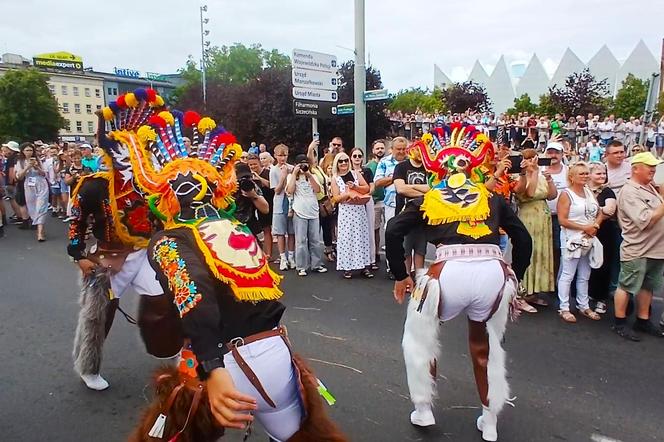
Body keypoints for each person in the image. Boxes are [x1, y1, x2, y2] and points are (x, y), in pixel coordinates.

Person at [123, 112, 344, 441]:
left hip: (227, 362)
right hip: (276, 356)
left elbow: (193, 298)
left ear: (164, 197)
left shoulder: (169, 240)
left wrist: (214, 369)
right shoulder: (236, 227)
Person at [386, 126, 532, 442]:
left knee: (420, 337)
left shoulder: (431, 196)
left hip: (447, 272)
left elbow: (393, 231)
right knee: (487, 345)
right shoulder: (491, 196)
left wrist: (402, 275)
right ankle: (490, 420)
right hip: (492, 272)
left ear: (439, 167)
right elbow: (522, 237)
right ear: (474, 167)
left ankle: (423, 410)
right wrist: (514, 276)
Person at [67, 91, 183, 391]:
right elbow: (77, 223)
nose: (131, 158)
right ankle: (87, 366)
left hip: (143, 254)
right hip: (107, 259)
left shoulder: (151, 186)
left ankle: (165, 345)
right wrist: (78, 254)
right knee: (98, 316)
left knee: (162, 301)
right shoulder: (94, 188)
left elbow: (166, 218)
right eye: (123, 152)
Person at [612, 152, 664, 341]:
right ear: (636, 168)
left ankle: (643, 320)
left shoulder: (649, 187)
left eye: (654, 166)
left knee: (647, 285)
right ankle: (619, 321)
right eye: (649, 166)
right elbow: (645, 220)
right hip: (638, 248)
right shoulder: (630, 191)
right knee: (627, 285)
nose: (653, 169)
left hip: (656, 248)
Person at [556, 162, 602, 323]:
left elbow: (599, 211)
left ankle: (584, 305)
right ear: (572, 177)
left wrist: (595, 225)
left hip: (588, 238)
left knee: (585, 274)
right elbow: (562, 220)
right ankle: (564, 307)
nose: (585, 176)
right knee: (568, 274)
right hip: (572, 238)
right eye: (581, 174)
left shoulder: (589, 192)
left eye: (586, 173)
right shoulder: (566, 194)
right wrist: (585, 227)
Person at [515, 149, 558, 310]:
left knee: (541, 253)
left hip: (543, 217)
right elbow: (530, 193)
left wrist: (549, 179)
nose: (534, 161)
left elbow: (552, 195)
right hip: (528, 217)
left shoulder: (541, 175)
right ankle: (522, 293)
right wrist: (532, 172)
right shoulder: (520, 176)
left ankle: (534, 292)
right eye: (529, 159)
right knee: (529, 255)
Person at [331, 152, 373, 279]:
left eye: (345, 160)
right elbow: (336, 198)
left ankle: (364, 266)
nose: (343, 163)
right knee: (346, 238)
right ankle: (347, 267)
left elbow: (366, 188)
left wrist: (355, 187)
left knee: (361, 237)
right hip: (346, 212)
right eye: (340, 161)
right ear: (337, 164)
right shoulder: (335, 178)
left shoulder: (355, 173)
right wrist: (348, 194)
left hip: (359, 210)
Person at [286, 153, 327, 276]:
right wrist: (294, 173)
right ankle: (301, 266)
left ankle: (316, 264)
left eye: (306, 164)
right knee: (301, 241)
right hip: (299, 211)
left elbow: (318, 189)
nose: (304, 167)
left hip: (313, 211)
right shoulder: (291, 176)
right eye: (301, 164)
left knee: (315, 240)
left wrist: (309, 175)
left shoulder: (312, 175)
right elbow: (289, 190)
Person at [587, 162, 618, 315]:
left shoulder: (608, 192)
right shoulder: (583, 190)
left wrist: (590, 209)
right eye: (598, 173)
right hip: (585, 230)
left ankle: (601, 299)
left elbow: (610, 210)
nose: (602, 176)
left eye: (603, 173)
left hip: (605, 232)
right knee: (586, 266)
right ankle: (586, 296)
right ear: (590, 174)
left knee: (603, 265)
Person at [392, 144, 428, 275]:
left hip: (423, 215)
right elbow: (401, 189)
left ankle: (419, 280)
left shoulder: (428, 168)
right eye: (419, 150)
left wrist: (411, 186)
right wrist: (424, 192)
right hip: (405, 213)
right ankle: (406, 278)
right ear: (412, 150)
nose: (421, 153)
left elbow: (434, 189)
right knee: (405, 250)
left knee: (420, 250)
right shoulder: (401, 167)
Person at [543, 141, 568, 285]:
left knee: (559, 250)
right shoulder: (539, 169)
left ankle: (556, 282)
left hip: (562, 216)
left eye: (556, 152)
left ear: (562, 154)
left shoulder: (568, 170)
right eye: (550, 152)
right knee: (544, 250)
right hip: (543, 215)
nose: (553, 155)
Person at [350, 147, 378, 270]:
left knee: (370, 230)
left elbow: (372, 186)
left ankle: (371, 259)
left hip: (367, 201)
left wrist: (367, 194)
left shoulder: (367, 171)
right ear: (350, 157)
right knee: (355, 231)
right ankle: (355, 259)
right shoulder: (347, 171)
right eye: (354, 156)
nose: (357, 158)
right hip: (352, 203)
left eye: (359, 156)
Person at [14, 143, 49, 239]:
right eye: (27, 150)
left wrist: (36, 167)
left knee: (41, 206)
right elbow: (19, 177)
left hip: (41, 184)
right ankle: (38, 224)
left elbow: (44, 174)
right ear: (23, 152)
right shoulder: (20, 162)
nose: (29, 152)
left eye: (31, 150)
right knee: (32, 207)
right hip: (29, 185)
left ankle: (40, 232)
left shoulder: (38, 160)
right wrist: (27, 167)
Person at [270, 144, 296, 271]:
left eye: (284, 155)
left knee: (292, 232)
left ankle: (291, 256)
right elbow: (277, 190)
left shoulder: (292, 168)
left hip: (292, 204)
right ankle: (283, 257)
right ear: (275, 156)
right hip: (279, 205)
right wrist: (283, 176)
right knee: (280, 233)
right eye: (280, 155)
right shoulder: (273, 170)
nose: (282, 158)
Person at [247, 153, 274, 258]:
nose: (253, 167)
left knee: (277, 230)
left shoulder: (268, 172)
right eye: (251, 165)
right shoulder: (248, 176)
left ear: (260, 163)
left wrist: (258, 177)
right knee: (266, 229)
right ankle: (268, 254)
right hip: (260, 205)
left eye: (255, 164)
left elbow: (271, 185)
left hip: (272, 202)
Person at [233, 162, 270, 237]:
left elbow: (265, 209)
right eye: (240, 178)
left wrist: (253, 196)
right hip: (231, 225)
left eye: (247, 177)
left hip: (249, 226)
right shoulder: (226, 187)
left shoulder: (251, 185)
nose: (243, 180)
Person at [366, 139, 387, 266]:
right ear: (373, 151)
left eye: (381, 148)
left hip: (389, 201)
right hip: (375, 201)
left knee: (391, 229)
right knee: (375, 229)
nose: (380, 150)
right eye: (377, 148)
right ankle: (375, 253)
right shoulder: (369, 167)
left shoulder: (389, 163)